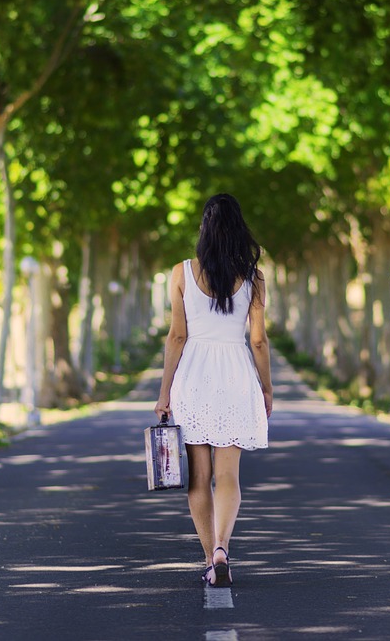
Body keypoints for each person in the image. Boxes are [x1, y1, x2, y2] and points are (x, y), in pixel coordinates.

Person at [155, 193, 273, 588]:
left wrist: (164, 393)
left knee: (199, 477)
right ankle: (223, 547)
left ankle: (209, 559)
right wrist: (267, 388)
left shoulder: (182, 273)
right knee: (229, 476)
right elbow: (258, 341)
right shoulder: (253, 277)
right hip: (236, 377)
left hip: (193, 376)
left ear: (204, 230)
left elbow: (176, 336)